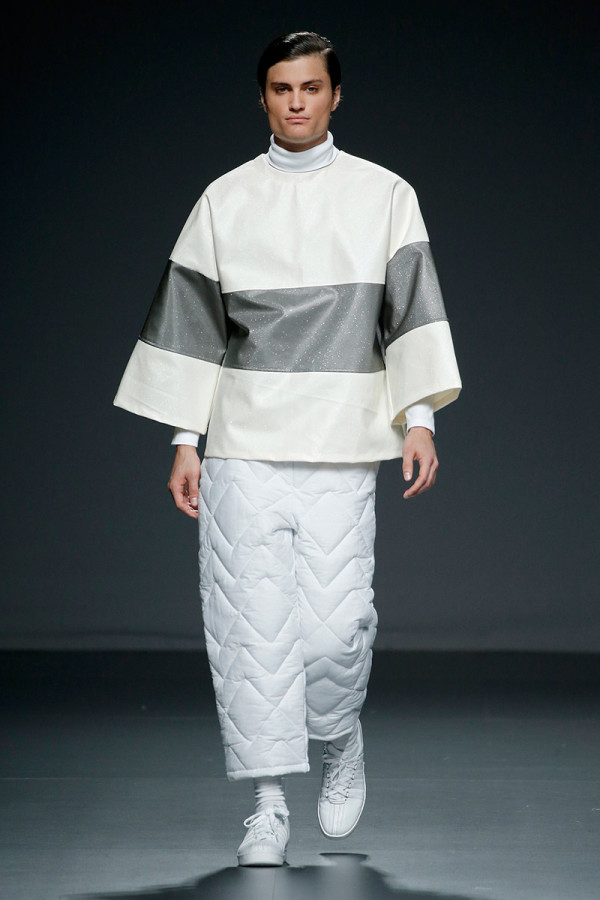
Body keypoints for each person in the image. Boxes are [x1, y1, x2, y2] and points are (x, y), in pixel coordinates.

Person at [113, 31, 461, 867]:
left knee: (335, 631)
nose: (296, 102)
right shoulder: (225, 199)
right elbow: (194, 323)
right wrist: (186, 439)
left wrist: (419, 417)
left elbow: (409, 311)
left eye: (310, 87)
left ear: (335, 95)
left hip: (342, 438)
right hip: (243, 440)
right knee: (251, 627)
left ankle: (337, 735)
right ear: (263, 98)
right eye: (281, 88)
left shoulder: (384, 194)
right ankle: (267, 807)